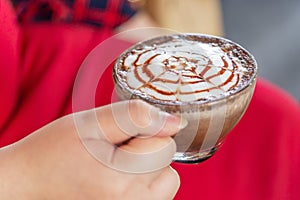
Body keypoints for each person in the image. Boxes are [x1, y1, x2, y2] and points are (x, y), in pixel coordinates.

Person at [1, 0, 300, 199]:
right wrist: (19, 180)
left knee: (283, 132)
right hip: (18, 160)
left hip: (27, 56)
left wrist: (106, 12)